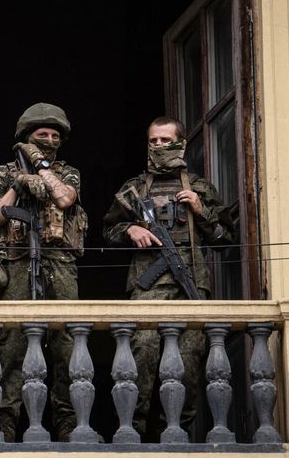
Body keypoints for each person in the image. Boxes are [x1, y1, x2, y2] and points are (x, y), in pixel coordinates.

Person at [102, 115, 229, 441]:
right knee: (139, 359)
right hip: (147, 289)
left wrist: (201, 210)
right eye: (153, 141)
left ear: (180, 144)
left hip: (190, 288)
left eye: (165, 140)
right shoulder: (134, 188)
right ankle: (133, 434)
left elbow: (224, 238)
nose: (158, 146)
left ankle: (174, 435)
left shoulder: (199, 188)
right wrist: (130, 230)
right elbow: (107, 231)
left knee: (186, 367)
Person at [0, 102, 88, 442]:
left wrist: (41, 167)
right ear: (26, 136)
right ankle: (6, 420)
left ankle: (68, 420)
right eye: (42, 134)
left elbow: (65, 199)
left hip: (59, 266)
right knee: (11, 343)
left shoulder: (67, 172)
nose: (50, 140)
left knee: (65, 344)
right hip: (15, 265)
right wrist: (18, 183)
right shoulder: (0, 173)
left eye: (55, 135)